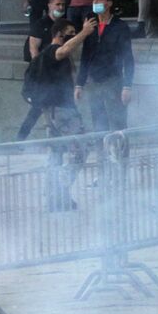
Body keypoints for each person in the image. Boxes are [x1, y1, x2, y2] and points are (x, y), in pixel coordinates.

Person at [27, 18, 94, 211]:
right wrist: (84, 32)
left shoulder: (46, 55)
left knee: (56, 153)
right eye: (70, 33)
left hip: (53, 111)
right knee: (81, 148)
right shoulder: (51, 51)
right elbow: (62, 51)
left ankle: (54, 198)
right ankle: (59, 190)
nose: (73, 36)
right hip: (62, 111)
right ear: (58, 34)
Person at [75, 0, 135, 134]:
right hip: (94, 80)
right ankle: (101, 148)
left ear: (109, 3)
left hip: (113, 80)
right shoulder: (90, 25)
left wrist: (127, 86)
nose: (95, 2)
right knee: (98, 123)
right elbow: (85, 56)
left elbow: (128, 58)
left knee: (117, 123)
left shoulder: (120, 27)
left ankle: (119, 149)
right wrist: (79, 83)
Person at [17, 0, 70, 141]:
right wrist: (40, 71)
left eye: (62, 4)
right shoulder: (41, 24)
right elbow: (33, 49)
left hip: (58, 75)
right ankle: (20, 139)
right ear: (49, 5)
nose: (60, 7)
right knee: (38, 108)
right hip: (42, 75)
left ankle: (53, 141)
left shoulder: (63, 25)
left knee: (50, 109)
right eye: (57, 4)